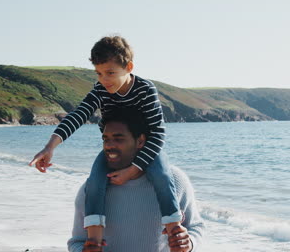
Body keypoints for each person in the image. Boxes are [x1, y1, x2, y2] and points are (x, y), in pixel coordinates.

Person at [29, 35, 182, 246]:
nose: (104, 80)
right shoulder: (101, 90)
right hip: (115, 150)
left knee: (163, 175)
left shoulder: (145, 90)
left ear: (128, 67)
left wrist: (134, 169)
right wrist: (49, 148)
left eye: (110, 73)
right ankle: (94, 241)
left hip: (147, 148)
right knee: (95, 182)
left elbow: (158, 134)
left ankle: (175, 232)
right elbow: (78, 115)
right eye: (99, 73)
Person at [67, 108, 204, 252]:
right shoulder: (91, 190)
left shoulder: (175, 180)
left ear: (140, 141)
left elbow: (196, 227)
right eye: (105, 139)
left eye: (118, 139)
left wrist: (189, 243)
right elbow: (76, 242)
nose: (108, 145)